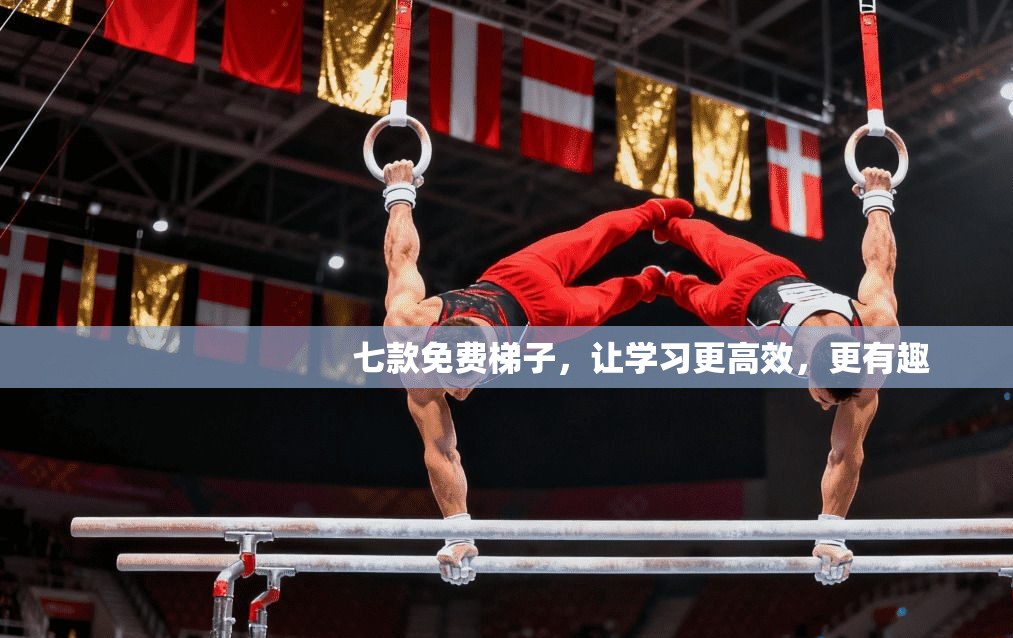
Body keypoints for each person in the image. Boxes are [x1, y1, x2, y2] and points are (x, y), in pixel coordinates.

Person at [380, 160, 693, 584]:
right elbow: (402, 257)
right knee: (607, 296)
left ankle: (652, 214)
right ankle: (653, 280)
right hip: (519, 308)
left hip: (528, 299)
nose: (456, 393)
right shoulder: (409, 331)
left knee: (593, 243)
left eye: (465, 382)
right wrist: (399, 195)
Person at [653, 167, 900, 585]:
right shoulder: (866, 335)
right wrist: (877, 199)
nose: (827, 404)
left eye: (836, 398)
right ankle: (667, 247)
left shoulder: (875, 346)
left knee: (699, 261)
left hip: (774, 277)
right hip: (743, 301)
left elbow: (882, 263)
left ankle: (667, 250)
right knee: (700, 267)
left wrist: (879, 201)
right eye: (827, 397)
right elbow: (843, 454)